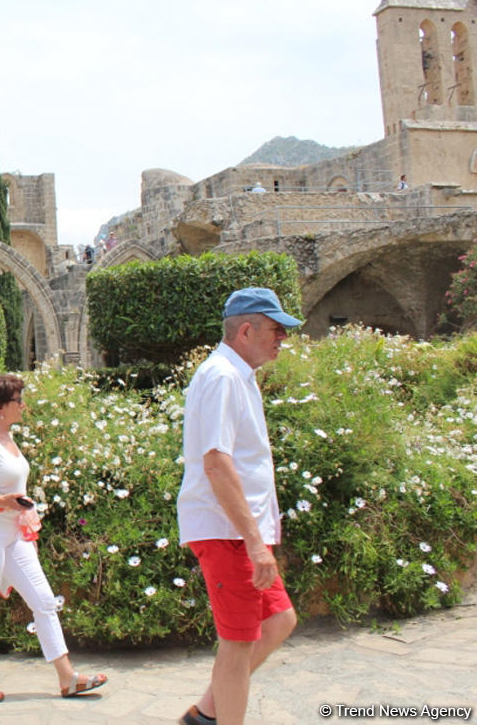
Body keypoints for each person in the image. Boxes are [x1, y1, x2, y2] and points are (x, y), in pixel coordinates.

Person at [176, 288, 302, 725]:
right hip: (227, 533)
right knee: (238, 643)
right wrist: (254, 542)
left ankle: (205, 714)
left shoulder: (236, 375)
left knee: (280, 621)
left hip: (237, 533)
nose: (282, 337)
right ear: (246, 330)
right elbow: (216, 463)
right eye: (275, 329)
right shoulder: (223, 377)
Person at [0, 374, 108, 704]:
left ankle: (67, 678)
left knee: (45, 601)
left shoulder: (6, 436)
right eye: (19, 400)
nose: (24, 405)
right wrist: (0, 502)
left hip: (13, 533)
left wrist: (16, 503)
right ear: (3, 407)